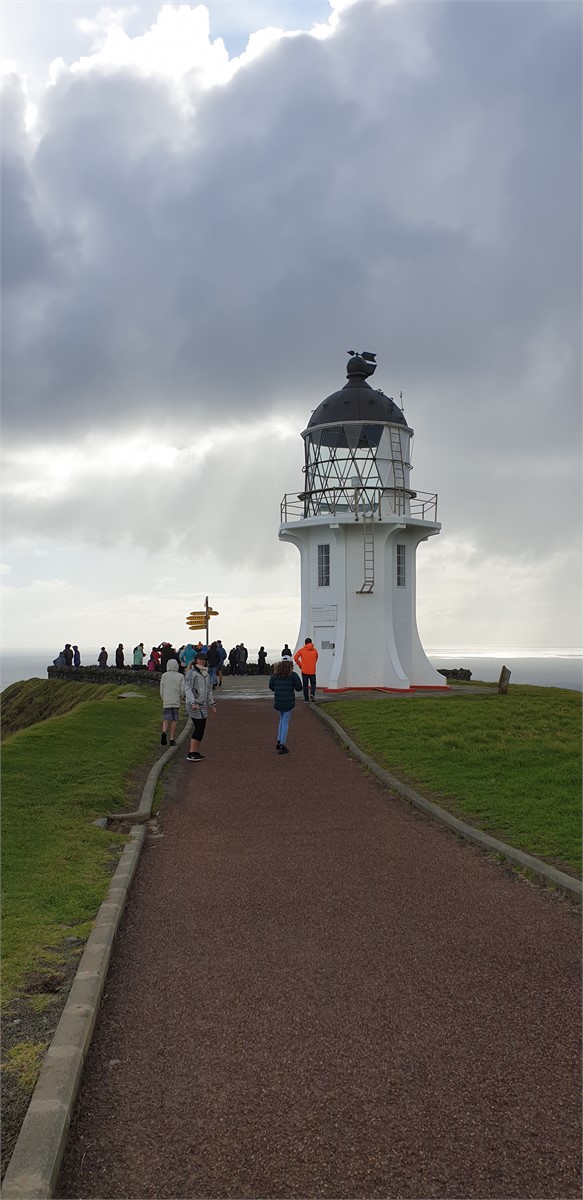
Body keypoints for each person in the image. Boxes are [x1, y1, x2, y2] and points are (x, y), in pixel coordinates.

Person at [184, 650, 217, 762]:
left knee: (202, 728)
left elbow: (208, 690)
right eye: (201, 659)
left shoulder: (206, 674)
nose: (203, 661)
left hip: (202, 705)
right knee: (198, 728)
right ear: (196, 660)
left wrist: (211, 703)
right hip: (193, 704)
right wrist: (192, 702)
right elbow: (188, 689)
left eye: (204, 659)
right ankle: (191, 752)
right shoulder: (191, 673)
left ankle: (196, 751)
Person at [269, 655, 303, 754]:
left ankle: (279, 740)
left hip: (279, 700)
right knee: (285, 721)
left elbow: (271, 687)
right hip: (289, 701)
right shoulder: (293, 675)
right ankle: (282, 744)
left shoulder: (275, 675)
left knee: (281, 720)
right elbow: (298, 688)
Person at [159, 658, 186, 747]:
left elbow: (162, 688)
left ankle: (164, 732)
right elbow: (182, 689)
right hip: (175, 700)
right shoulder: (180, 676)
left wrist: (163, 698)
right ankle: (172, 738)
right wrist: (180, 697)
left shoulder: (164, 676)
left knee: (166, 719)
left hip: (167, 699)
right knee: (174, 720)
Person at [294, 636, 319, 702]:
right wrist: (313, 663)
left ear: (305, 643)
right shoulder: (315, 650)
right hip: (312, 670)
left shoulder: (301, 650)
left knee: (305, 685)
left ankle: (306, 699)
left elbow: (295, 658)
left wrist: (300, 665)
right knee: (313, 683)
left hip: (304, 670)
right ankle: (312, 693)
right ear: (311, 643)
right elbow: (316, 658)